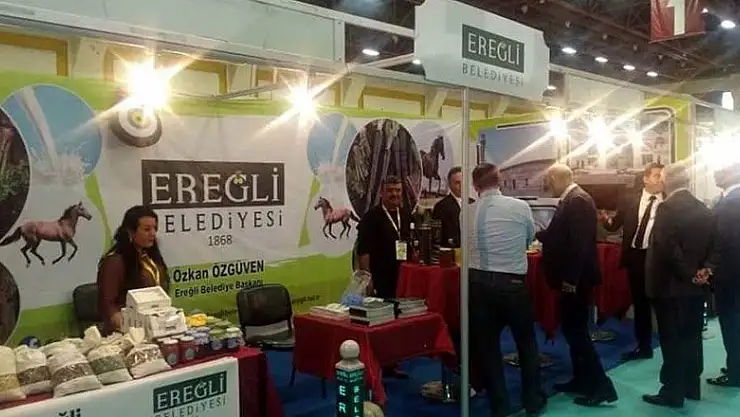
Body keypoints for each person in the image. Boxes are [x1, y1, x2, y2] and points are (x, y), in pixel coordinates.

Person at [466, 163, 545, 417]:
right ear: (499, 181)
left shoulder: (466, 212)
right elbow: (529, 240)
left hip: (478, 284)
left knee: (488, 348)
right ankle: (532, 400)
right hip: (512, 284)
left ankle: (499, 407)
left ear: (475, 186)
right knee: (526, 343)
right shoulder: (520, 207)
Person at [536, 164, 617, 407]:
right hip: (573, 278)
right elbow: (561, 236)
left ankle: (601, 386)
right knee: (573, 332)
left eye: (547, 180)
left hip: (576, 281)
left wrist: (571, 280)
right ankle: (581, 379)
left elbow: (580, 246)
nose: (546, 185)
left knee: (578, 333)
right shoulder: (572, 199)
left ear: (554, 177)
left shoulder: (577, 200)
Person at [643, 164, 712, 408]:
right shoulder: (703, 208)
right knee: (692, 337)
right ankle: (691, 386)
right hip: (696, 287)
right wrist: (704, 271)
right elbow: (713, 245)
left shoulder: (666, 208)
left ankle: (672, 392)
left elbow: (667, 248)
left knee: (672, 340)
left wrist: (689, 273)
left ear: (666, 181)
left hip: (669, 288)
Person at [601, 162, 664, 361]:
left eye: (663, 176)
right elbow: (614, 225)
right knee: (640, 304)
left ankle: (669, 346)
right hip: (636, 257)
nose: (661, 180)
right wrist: (604, 218)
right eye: (656, 176)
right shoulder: (630, 200)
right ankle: (643, 346)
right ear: (645, 178)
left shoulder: (668, 202)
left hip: (659, 260)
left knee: (662, 304)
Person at [356, 175, 411, 378]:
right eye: (390, 190)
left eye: (398, 190)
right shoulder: (371, 217)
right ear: (382, 193)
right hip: (380, 276)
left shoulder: (405, 214)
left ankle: (391, 361)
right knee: (381, 322)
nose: (395, 194)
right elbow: (363, 250)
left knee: (396, 319)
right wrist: (367, 278)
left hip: (402, 275)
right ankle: (377, 363)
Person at [97, 205, 169, 335]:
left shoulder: (150, 257)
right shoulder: (114, 262)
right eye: (147, 229)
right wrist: (128, 328)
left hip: (156, 326)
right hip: (127, 332)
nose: (153, 233)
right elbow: (108, 306)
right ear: (130, 232)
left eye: (155, 228)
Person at [702, 163, 740, 387]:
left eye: (721, 170)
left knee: (731, 322)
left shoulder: (730, 203)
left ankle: (735, 373)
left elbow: (722, 241)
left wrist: (709, 267)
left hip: (729, 274)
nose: (716, 173)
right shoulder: (731, 199)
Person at [433, 166, 472, 248]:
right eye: (457, 183)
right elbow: (438, 236)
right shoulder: (441, 206)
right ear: (450, 184)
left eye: (463, 182)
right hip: (452, 250)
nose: (461, 186)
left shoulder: (473, 203)